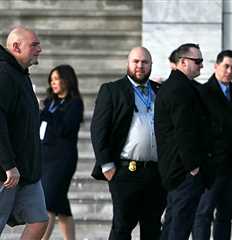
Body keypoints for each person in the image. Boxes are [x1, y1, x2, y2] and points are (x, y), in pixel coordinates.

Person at [91, 46, 167, 240]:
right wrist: (107, 165)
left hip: (156, 173)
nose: (140, 66)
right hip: (125, 172)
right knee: (123, 226)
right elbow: (99, 130)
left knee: (152, 227)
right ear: (128, 63)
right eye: (136, 61)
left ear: (151, 65)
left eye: (145, 62)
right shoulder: (112, 90)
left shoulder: (160, 91)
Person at [154, 43, 215, 240]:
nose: (201, 66)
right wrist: (193, 167)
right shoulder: (180, 89)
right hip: (184, 172)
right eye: (197, 61)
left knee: (174, 223)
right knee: (179, 226)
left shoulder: (178, 86)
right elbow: (184, 132)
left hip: (178, 170)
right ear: (182, 62)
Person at [0, 26, 48, 238]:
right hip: (7, 172)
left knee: (39, 220)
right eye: (34, 45)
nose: (40, 49)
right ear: (16, 47)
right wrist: (8, 165)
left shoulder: (21, 74)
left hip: (27, 172)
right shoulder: (4, 74)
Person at [192, 50, 232, 240]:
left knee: (225, 216)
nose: (229, 71)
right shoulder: (203, 93)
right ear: (216, 66)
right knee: (203, 214)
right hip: (211, 168)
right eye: (226, 66)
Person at [40, 64, 84, 240]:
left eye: (57, 79)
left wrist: (46, 114)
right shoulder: (50, 102)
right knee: (61, 205)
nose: (54, 83)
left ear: (67, 79)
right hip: (45, 157)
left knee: (49, 203)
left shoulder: (74, 103)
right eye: (52, 80)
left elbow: (65, 129)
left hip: (62, 160)